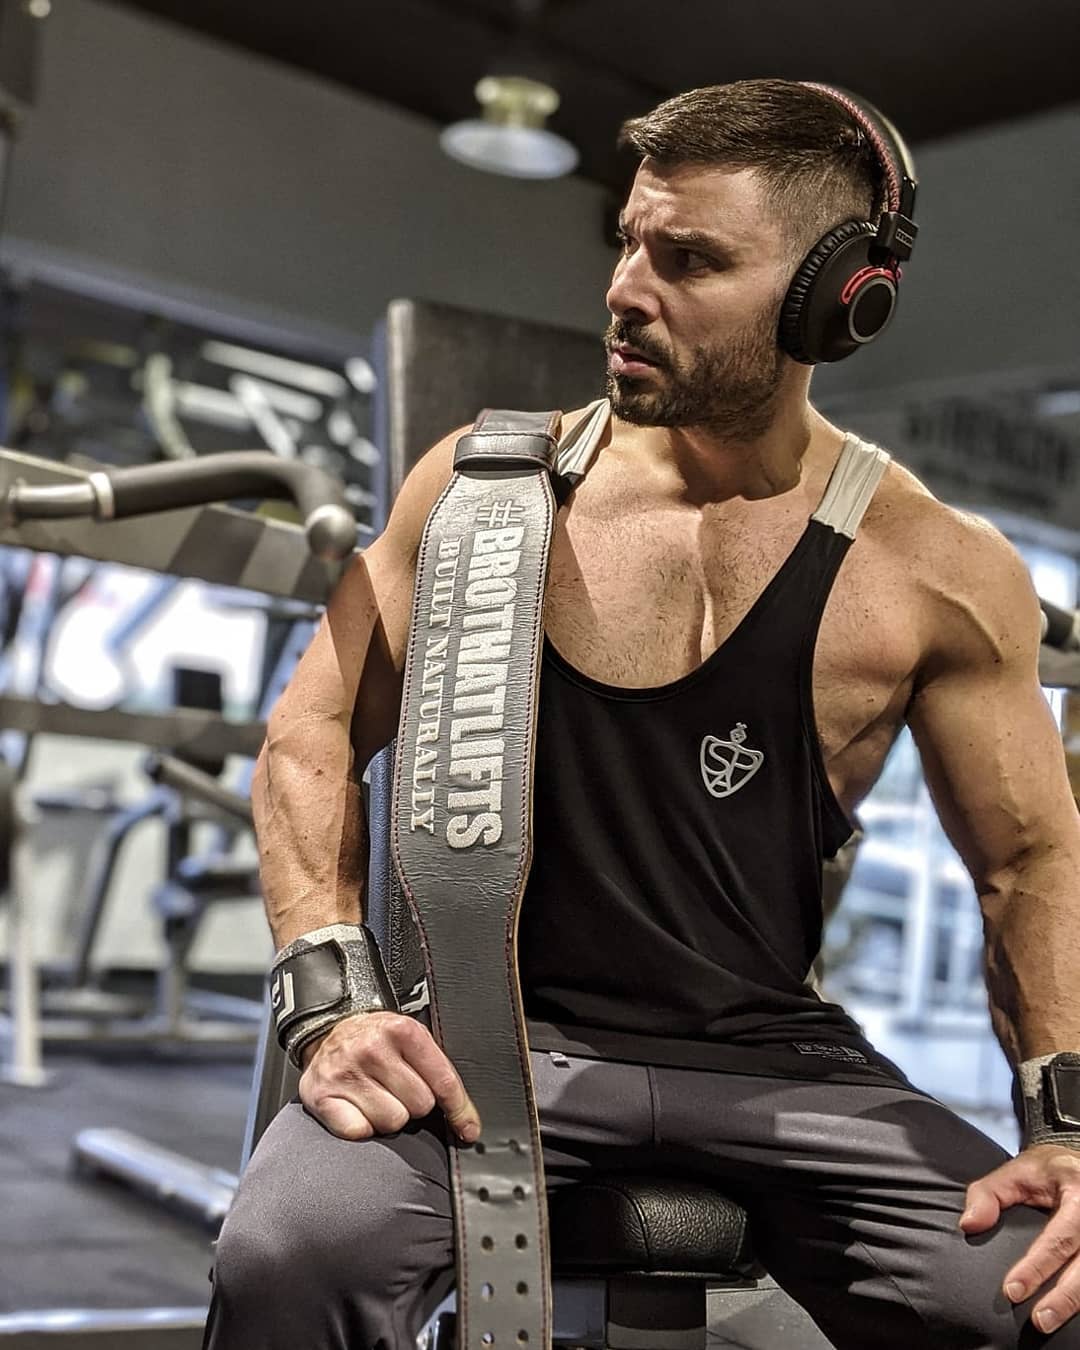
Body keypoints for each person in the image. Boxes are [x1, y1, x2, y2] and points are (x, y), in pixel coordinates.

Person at [204, 79, 1080, 1349]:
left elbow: (1029, 859)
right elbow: (311, 734)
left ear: (836, 298)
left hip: (782, 1065)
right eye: (626, 240)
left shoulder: (934, 568)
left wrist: (1063, 1130)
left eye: (689, 260)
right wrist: (335, 1004)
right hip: (495, 1045)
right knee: (292, 1253)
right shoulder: (482, 491)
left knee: (1043, 1302)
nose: (626, 286)